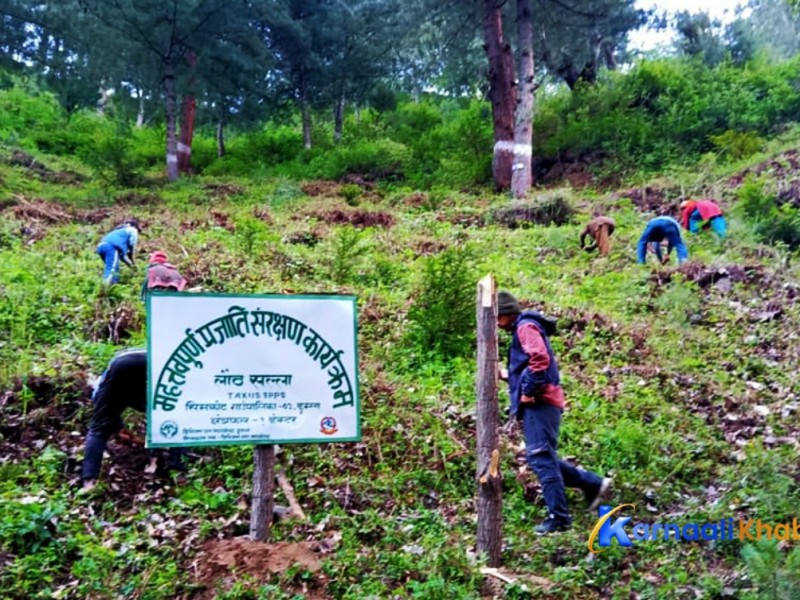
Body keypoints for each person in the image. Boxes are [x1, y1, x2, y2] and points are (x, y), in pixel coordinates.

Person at [497, 291, 612, 534]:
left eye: (498, 317)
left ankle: (559, 519)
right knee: (541, 457)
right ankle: (593, 484)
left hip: (540, 401)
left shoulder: (525, 327)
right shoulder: (524, 327)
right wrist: (509, 376)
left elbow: (539, 360)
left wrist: (527, 390)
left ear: (507, 313)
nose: (497, 323)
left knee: (540, 457)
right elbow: (530, 364)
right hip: (542, 401)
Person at [81, 349, 184, 490]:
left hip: (125, 365)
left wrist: (118, 427)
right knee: (166, 413)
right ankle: (174, 468)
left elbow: (102, 407)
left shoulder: (102, 386)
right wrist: (119, 428)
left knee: (98, 429)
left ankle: (89, 482)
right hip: (154, 362)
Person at [97, 219, 140, 284]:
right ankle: (105, 288)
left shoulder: (119, 233)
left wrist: (131, 266)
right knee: (112, 269)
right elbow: (132, 243)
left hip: (101, 246)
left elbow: (122, 257)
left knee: (114, 268)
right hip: (110, 247)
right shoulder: (132, 230)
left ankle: (113, 285)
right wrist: (131, 254)